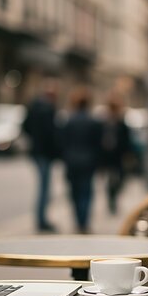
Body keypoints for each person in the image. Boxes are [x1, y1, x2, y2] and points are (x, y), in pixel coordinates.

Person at [58, 87, 103, 233]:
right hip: (88, 162)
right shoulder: (93, 122)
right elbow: (98, 144)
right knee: (86, 192)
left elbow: (62, 143)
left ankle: (78, 221)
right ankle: (83, 222)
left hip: (72, 161)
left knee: (74, 193)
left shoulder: (69, 121)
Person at [23, 80, 60, 232]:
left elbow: (25, 126)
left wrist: (33, 140)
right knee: (44, 187)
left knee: (43, 186)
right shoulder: (49, 109)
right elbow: (52, 134)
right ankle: (41, 220)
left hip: (36, 151)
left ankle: (41, 218)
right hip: (45, 153)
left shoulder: (34, 106)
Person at [101, 92, 133, 214]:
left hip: (119, 156)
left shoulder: (121, 122)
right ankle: (111, 199)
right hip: (109, 157)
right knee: (111, 179)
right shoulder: (105, 122)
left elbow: (127, 139)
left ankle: (113, 197)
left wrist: (128, 153)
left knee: (120, 179)